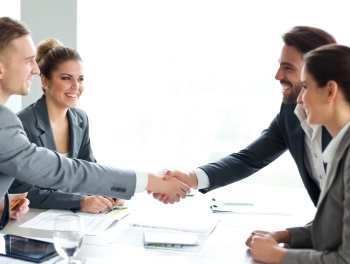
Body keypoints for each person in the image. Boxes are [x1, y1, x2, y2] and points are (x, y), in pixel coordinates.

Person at [0, 16, 189, 230]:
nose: (35, 69)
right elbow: (65, 172)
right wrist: (149, 181)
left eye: (80, 79)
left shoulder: (79, 118)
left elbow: (87, 166)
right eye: (28, 61)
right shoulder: (8, 122)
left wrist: (3, 203)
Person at [246, 44, 350, 264]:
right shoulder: (340, 148)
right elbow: (337, 230)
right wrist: (285, 236)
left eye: (306, 88)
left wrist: (277, 256)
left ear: (330, 91)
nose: (300, 99)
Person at [160, 26, 336, 206]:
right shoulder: (290, 113)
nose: (277, 76)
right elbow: (249, 159)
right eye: (279, 65)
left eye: (288, 68)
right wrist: (190, 178)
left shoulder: (342, 123)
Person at [9, 38, 124, 213]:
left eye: (81, 79)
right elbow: (22, 190)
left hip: (69, 217)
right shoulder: (22, 123)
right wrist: (80, 202)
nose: (76, 86)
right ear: (45, 81)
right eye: (66, 78)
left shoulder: (80, 119)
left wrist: (108, 190)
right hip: (32, 218)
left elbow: (88, 171)